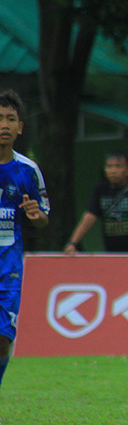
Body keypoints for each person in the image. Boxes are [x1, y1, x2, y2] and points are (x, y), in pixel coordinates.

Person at [0, 90, 50, 388]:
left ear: (20, 127)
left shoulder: (28, 170)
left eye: (10, 119)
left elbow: (44, 216)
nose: (3, 124)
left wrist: (36, 215)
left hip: (8, 266)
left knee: (3, 339)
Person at [63, 151, 128, 255]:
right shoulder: (100, 190)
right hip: (111, 251)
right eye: (109, 166)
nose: (113, 171)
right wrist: (72, 243)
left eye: (118, 166)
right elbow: (89, 216)